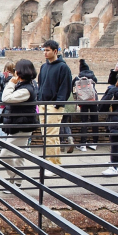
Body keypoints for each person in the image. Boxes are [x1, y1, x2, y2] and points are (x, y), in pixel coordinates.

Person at [0, 60, 39, 192]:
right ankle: (17, 182)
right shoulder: (26, 85)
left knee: (4, 154)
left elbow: (6, 98)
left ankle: (15, 179)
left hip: (22, 125)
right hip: (19, 124)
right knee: (19, 154)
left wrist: (11, 83)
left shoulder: (26, 89)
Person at [37, 40, 73, 168]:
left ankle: (51, 164)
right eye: (44, 50)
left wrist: (58, 104)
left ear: (55, 51)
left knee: (51, 135)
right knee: (47, 135)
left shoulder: (63, 67)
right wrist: (39, 99)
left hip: (54, 105)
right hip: (43, 104)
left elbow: (66, 87)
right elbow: (40, 84)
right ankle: (54, 163)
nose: (45, 53)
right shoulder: (44, 66)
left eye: (48, 50)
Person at [73, 59, 99, 151]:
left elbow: (73, 85)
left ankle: (83, 144)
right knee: (94, 121)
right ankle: (95, 143)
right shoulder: (92, 76)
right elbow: (96, 82)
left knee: (84, 122)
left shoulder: (79, 77)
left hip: (83, 100)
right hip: (93, 100)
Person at [99, 77, 118, 175]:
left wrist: (110, 92)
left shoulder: (114, 91)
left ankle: (114, 165)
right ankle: (115, 163)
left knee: (115, 142)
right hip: (116, 119)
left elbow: (102, 107)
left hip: (116, 120)